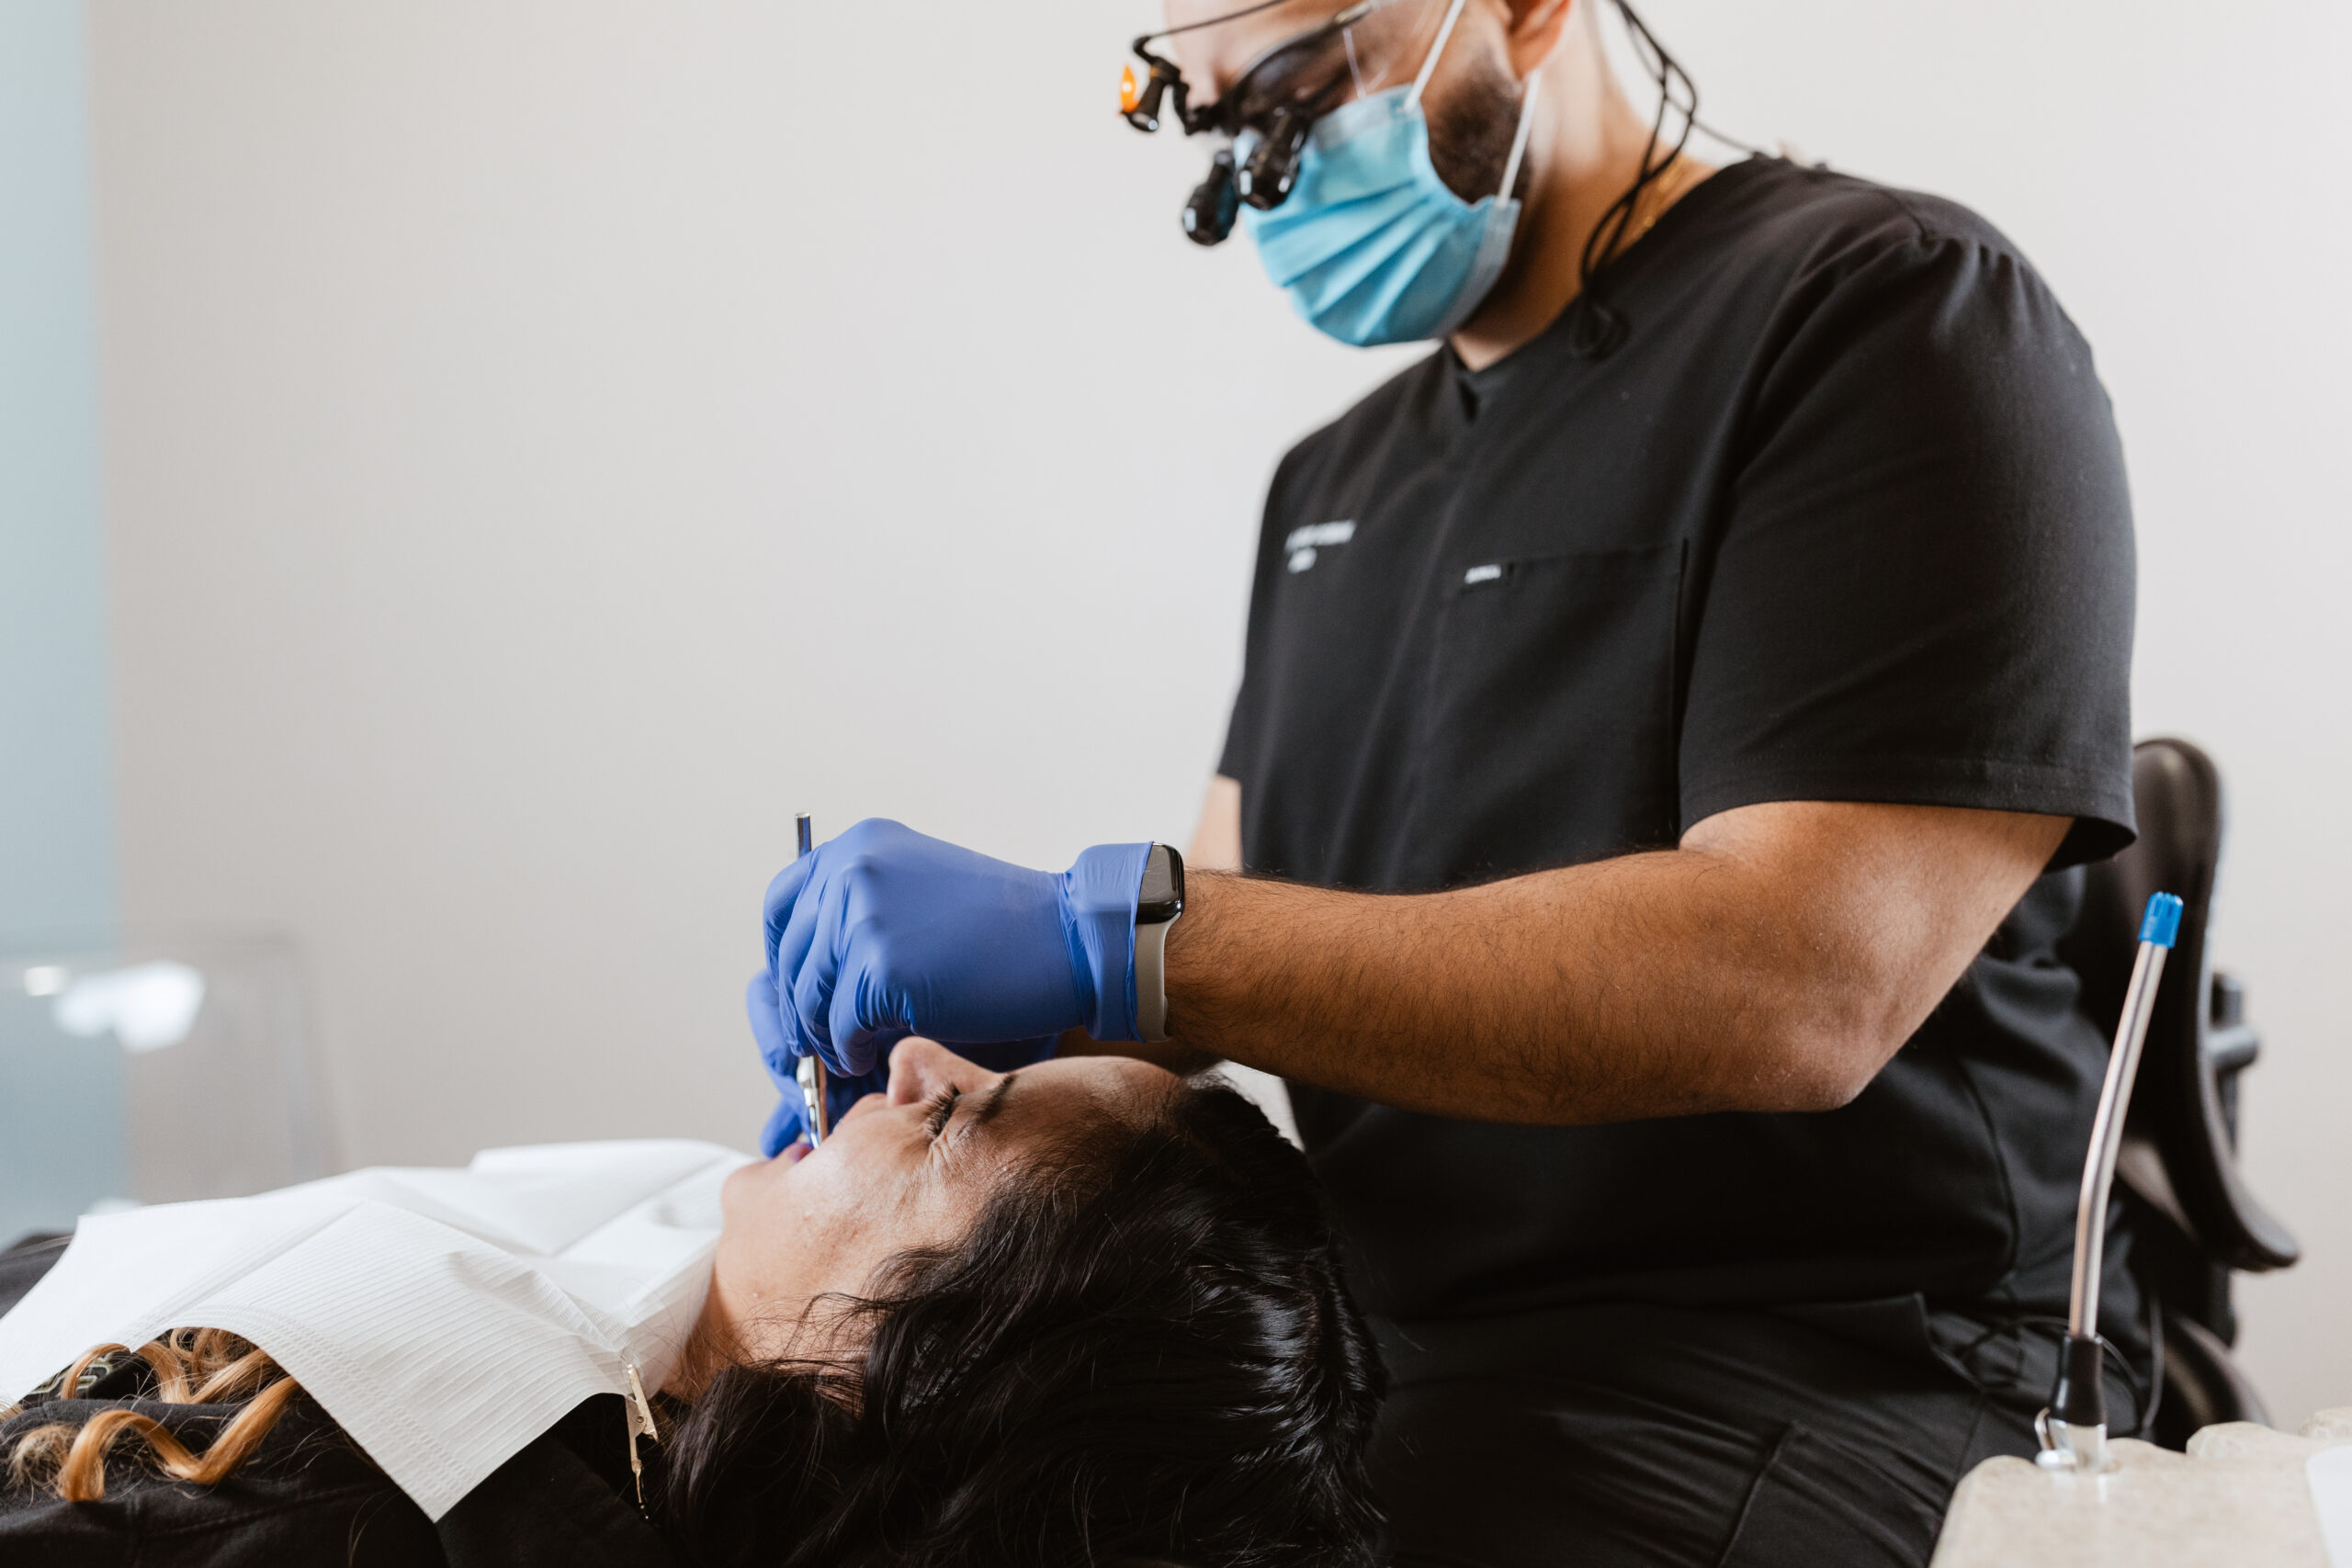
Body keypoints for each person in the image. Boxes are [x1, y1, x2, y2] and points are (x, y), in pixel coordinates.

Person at [744, 0, 2147, 1562]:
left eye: (1296, 84)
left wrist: (1107, 936)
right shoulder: (1335, 485)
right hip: (1389, 1359)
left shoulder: (1888, 320)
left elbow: (1803, 983)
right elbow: (1203, 981)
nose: (1264, 176)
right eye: (1220, 123)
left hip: (1840, 1368)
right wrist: (934, 1051)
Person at [0, 1043, 1385, 1567]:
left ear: (923, 1355)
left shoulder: (352, 1516)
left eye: (960, 1114)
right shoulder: (655, 1335)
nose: (904, 1060)